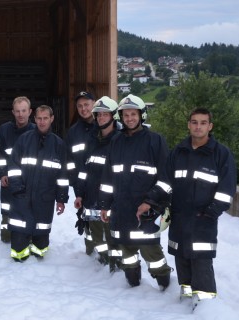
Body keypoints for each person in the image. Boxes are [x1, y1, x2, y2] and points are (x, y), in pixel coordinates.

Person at [98, 94, 172, 290]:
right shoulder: (116, 141)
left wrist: (150, 201)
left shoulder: (155, 141)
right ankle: (133, 285)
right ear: (120, 117)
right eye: (126, 114)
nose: (129, 118)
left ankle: (164, 283)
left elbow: (166, 179)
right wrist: (104, 205)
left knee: (152, 253)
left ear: (141, 115)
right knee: (126, 251)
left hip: (145, 211)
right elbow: (107, 177)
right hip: (121, 209)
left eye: (133, 114)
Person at [166, 108, 236, 307]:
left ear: (210, 126)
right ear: (189, 124)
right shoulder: (178, 152)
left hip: (204, 219)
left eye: (203, 122)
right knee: (181, 256)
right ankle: (186, 296)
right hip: (179, 217)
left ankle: (206, 306)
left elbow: (227, 188)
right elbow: (166, 182)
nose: (198, 126)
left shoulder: (221, 154)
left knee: (201, 259)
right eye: (194, 122)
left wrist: (212, 212)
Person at [7, 105, 69, 261]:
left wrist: (61, 198)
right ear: (34, 119)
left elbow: (62, 174)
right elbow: (13, 166)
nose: (42, 122)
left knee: (40, 248)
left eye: (45, 118)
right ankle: (21, 249)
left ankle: (38, 248)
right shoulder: (24, 140)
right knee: (18, 252)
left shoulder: (58, 145)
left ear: (51, 119)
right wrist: (17, 189)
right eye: (39, 118)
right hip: (22, 196)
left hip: (44, 198)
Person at [72, 96, 120, 270]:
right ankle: (104, 260)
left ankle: (117, 267)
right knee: (98, 238)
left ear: (113, 116)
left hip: (112, 201)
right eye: (98, 115)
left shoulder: (120, 141)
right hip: (91, 199)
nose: (100, 119)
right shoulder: (92, 140)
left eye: (104, 115)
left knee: (113, 237)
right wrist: (79, 193)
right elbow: (83, 171)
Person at [0, 96, 35, 243]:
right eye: (17, 111)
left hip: (29, 181)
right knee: (7, 208)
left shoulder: (36, 131)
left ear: (30, 112)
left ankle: (28, 235)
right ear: (13, 112)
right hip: (8, 181)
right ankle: (7, 235)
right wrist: (1, 174)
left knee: (29, 208)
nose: (20, 114)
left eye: (23, 111)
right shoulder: (5, 130)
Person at [65, 91, 100, 255]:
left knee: (105, 221)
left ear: (94, 103)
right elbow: (70, 164)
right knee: (86, 218)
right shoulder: (73, 132)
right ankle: (91, 252)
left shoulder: (104, 126)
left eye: (86, 104)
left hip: (103, 184)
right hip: (83, 187)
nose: (83, 108)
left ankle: (108, 258)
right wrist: (77, 189)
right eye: (80, 106)